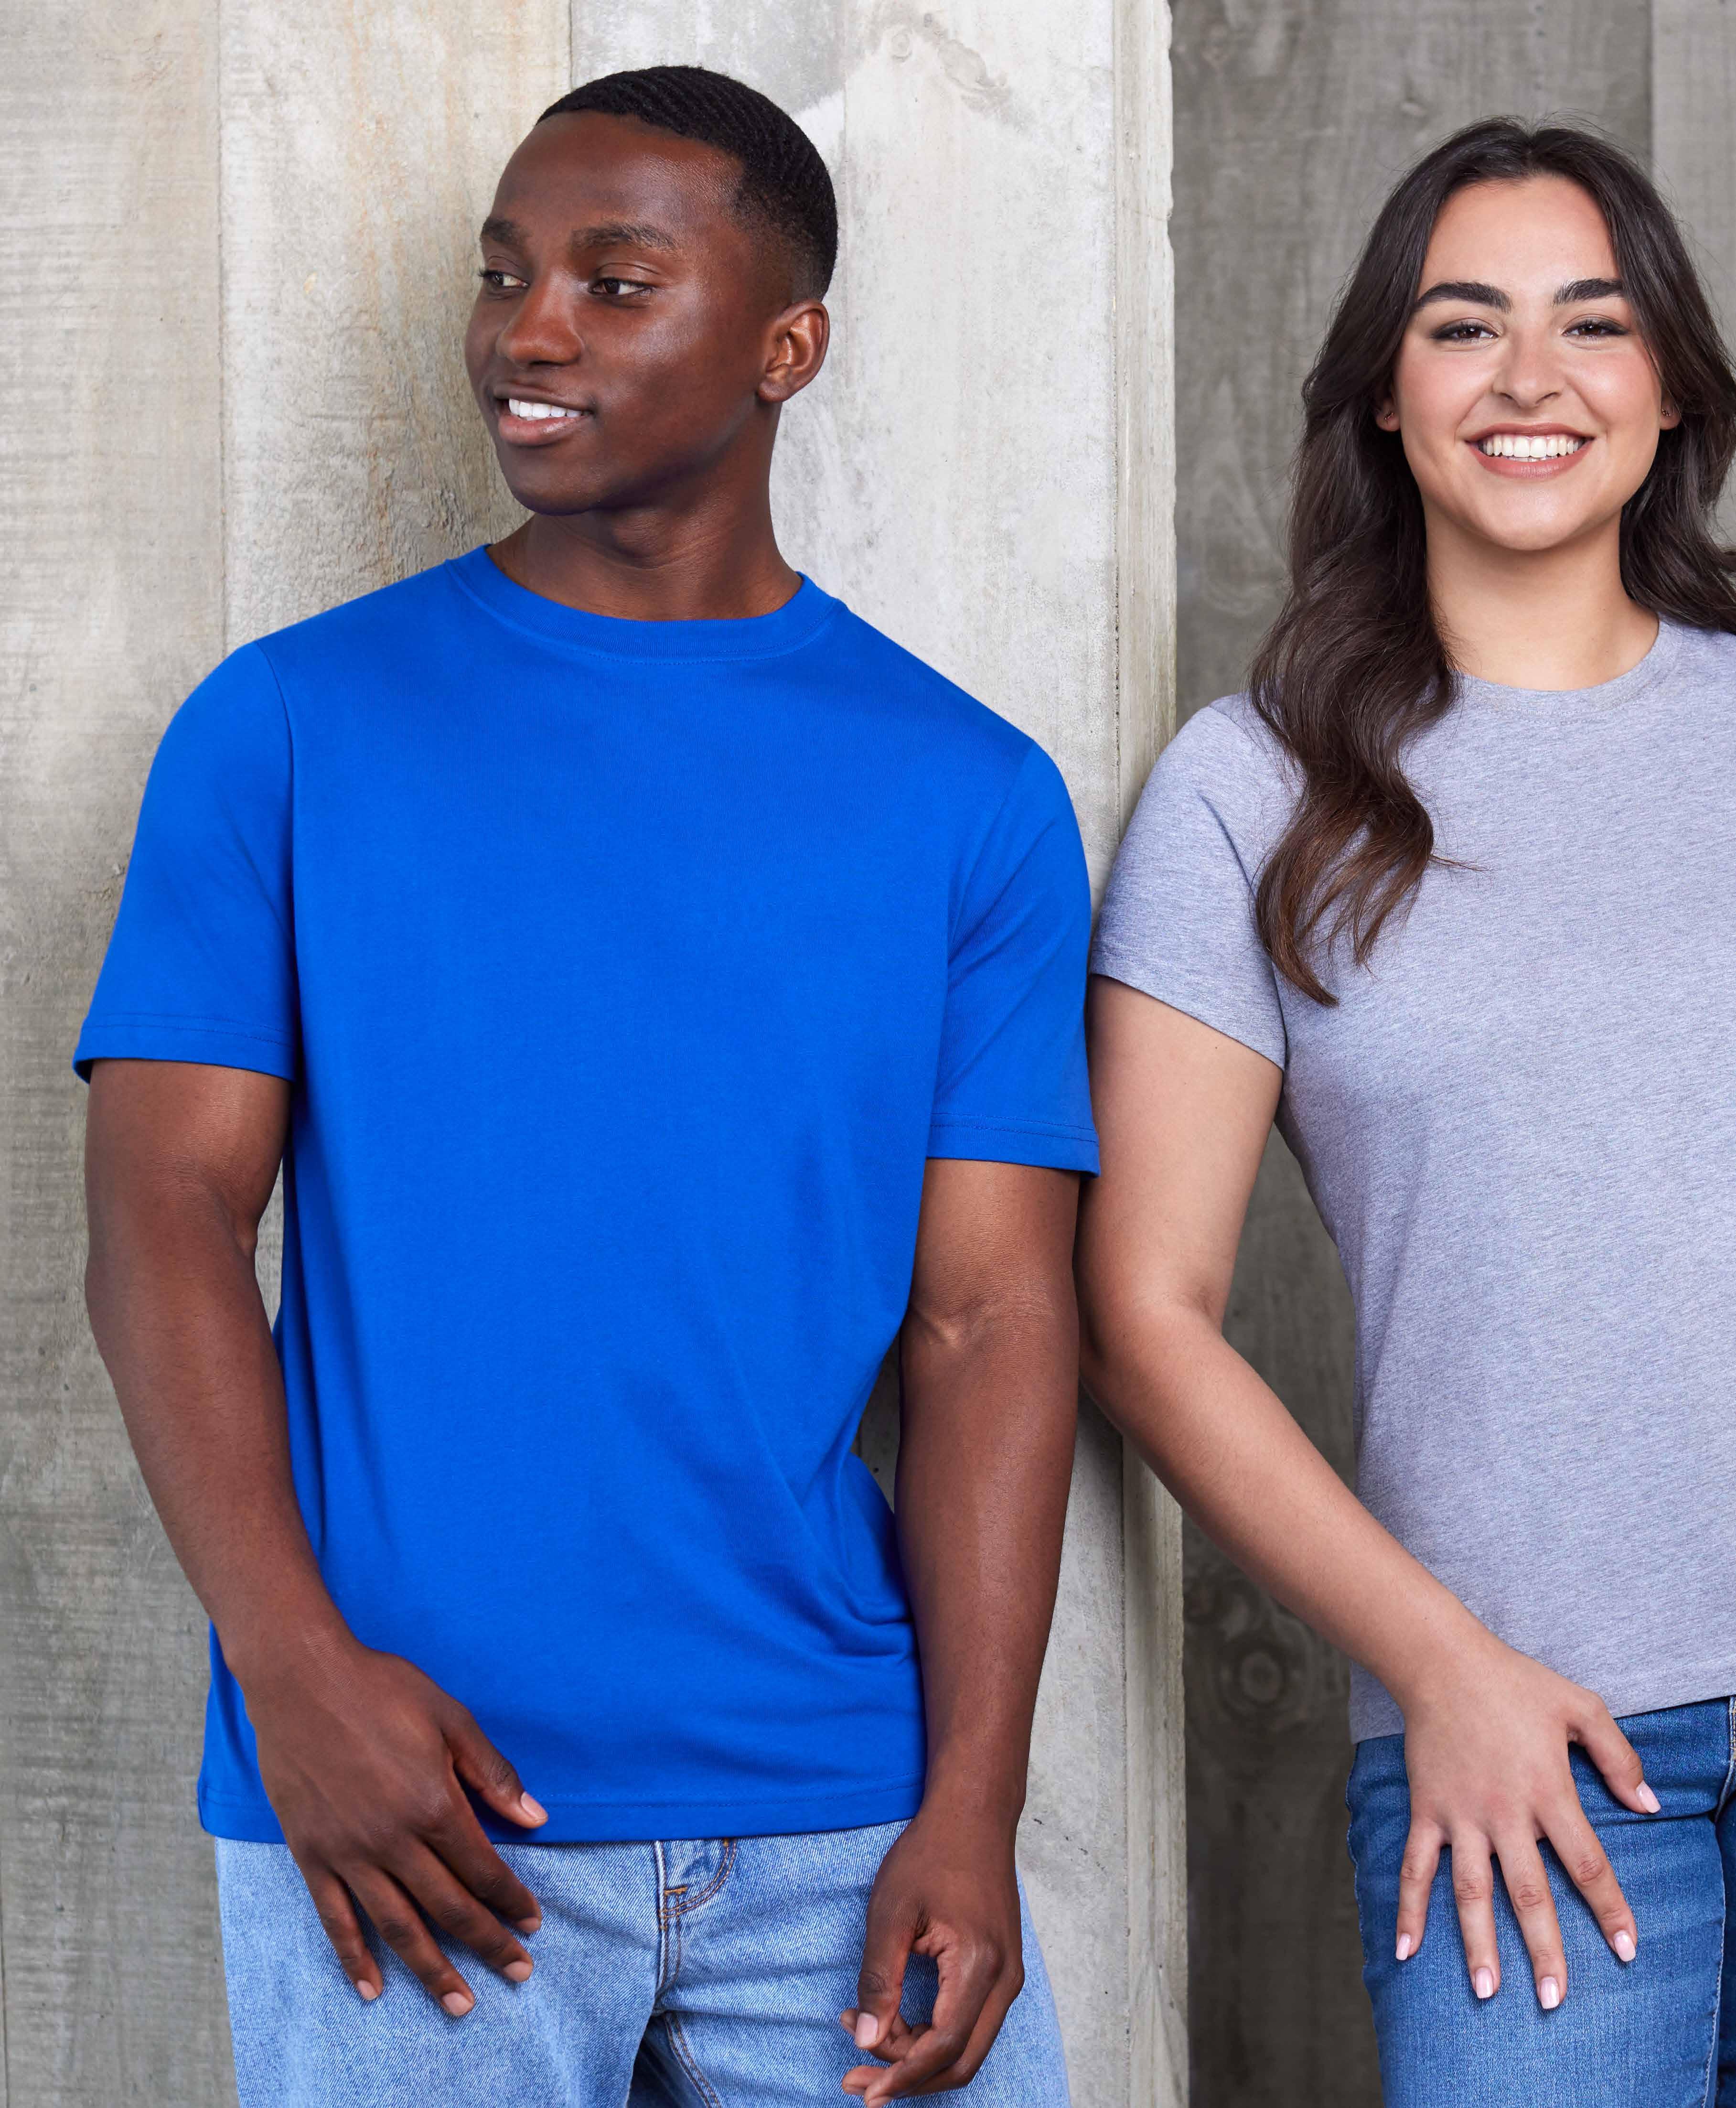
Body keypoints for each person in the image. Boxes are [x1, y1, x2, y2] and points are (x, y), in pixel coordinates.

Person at [77, 65, 1095, 2108]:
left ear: (787, 347)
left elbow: (988, 1318)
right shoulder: (288, 727)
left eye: (613, 284)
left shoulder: (967, 791)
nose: (528, 332)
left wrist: (973, 1799)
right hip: (403, 1800)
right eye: (504, 275)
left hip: (839, 1807)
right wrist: (293, 1670)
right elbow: (162, 1215)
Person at [1077, 117, 1736, 2106]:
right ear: (1385, 387)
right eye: (1464, 325)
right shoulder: (1252, 787)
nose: (1531, 377)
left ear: (1671, 386)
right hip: (1521, 1751)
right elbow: (1144, 1313)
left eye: (1591, 323)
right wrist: (1440, 1666)